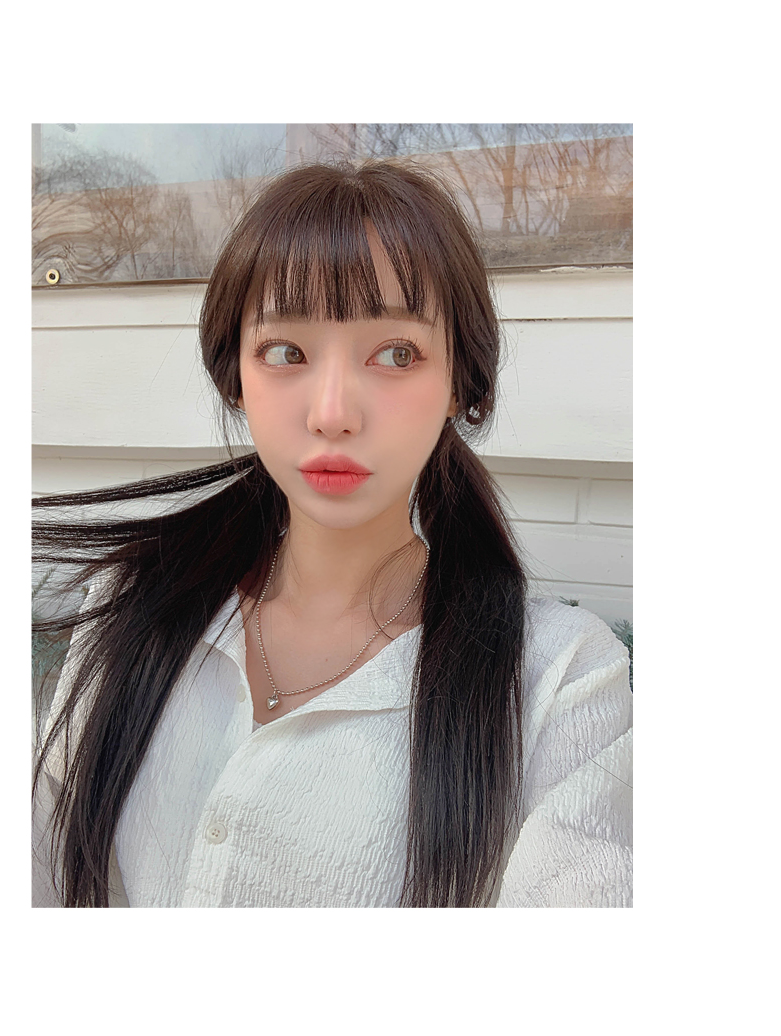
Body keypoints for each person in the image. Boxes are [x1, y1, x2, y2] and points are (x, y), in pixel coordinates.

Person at [32, 160, 632, 908]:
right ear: (236, 377)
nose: (333, 413)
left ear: (459, 384)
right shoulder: (128, 605)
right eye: (286, 352)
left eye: (396, 354)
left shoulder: (558, 678)